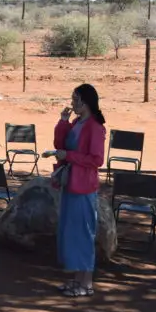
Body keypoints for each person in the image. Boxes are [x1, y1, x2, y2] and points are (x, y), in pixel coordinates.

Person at [52, 84, 107, 298]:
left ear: (85, 102)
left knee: (83, 233)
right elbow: (60, 144)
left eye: (76, 100)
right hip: (71, 183)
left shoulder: (95, 127)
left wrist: (69, 156)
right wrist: (63, 123)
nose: (73, 103)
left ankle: (87, 283)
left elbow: (97, 160)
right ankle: (77, 280)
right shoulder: (77, 123)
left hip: (83, 187)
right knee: (71, 232)